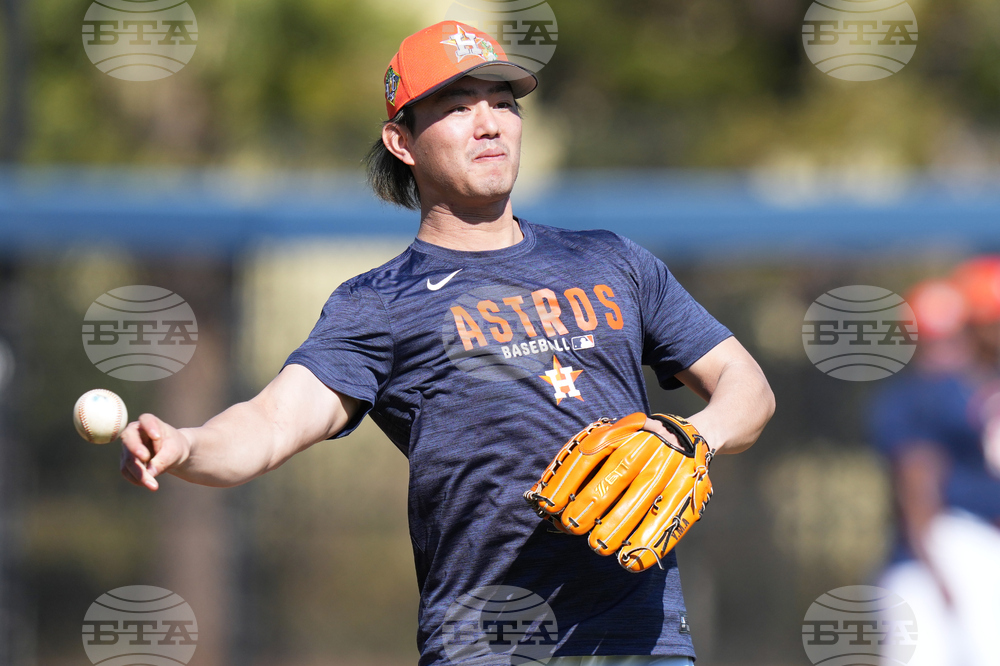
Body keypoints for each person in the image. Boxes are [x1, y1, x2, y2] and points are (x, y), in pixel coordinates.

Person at [120, 21, 775, 665]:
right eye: (458, 107)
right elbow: (269, 424)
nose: (489, 123)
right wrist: (186, 446)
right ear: (401, 141)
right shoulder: (378, 304)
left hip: (640, 643)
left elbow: (746, 387)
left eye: (504, 105)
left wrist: (695, 435)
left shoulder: (613, 261)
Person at [869, 268, 1000, 666]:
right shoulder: (922, 397)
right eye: (932, 341)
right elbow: (917, 487)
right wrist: (944, 578)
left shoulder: (976, 390)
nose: (944, 350)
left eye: (952, 337)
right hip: (943, 553)